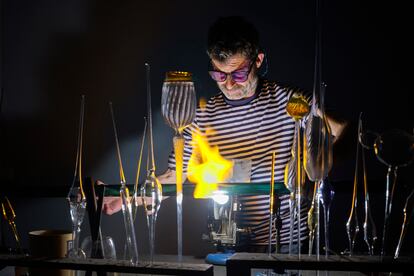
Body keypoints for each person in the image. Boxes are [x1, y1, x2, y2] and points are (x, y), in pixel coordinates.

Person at [103, 16, 346, 253]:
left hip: (289, 245)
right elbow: (175, 176)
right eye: (219, 75)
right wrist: (125, 198)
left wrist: (317, 168)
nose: (229, 84)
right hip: (229, 246)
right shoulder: (202, 116)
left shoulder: (292, 101)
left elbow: (345, 129)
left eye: (238, 74)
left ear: (258, 60)